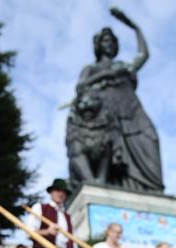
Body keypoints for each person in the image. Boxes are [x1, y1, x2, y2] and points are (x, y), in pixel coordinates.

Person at [70, 8, 163, 192]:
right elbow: (81, 87)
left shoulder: (124, 66)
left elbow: (143, 55)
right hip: (107, 114)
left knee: (151, 140)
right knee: (110, 154)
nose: (109, 44)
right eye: (105, 40)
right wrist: (107, 74)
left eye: (112, 41)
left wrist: (134, 27)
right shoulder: (91, 68)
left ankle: (151, 190)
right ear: (98, 44)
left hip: (132, 109)